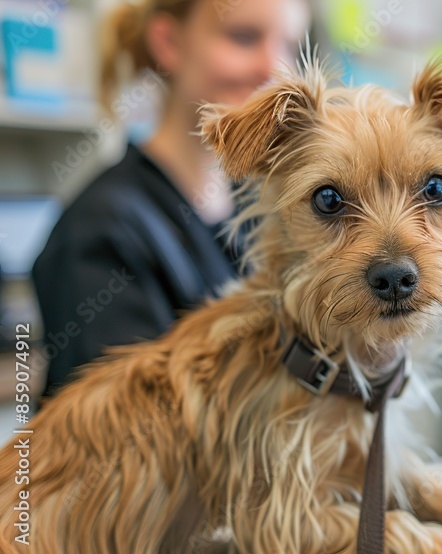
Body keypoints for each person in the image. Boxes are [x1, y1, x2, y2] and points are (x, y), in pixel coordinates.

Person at [32, 0, 311, 397]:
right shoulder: (100, 230)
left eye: (290, 46)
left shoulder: (265, 208)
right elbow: (123, 436)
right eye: (243, 37)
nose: (275, 70)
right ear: (169, 43)